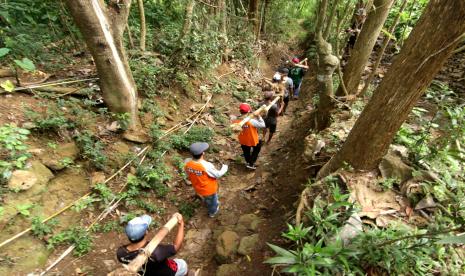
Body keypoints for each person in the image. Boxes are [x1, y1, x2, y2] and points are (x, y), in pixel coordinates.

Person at [116, 213, 189, 276]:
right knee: (183, 265)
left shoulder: (120, 253)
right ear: (146, 232)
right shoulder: (156, 253)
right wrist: (181, 224)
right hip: (165, 273)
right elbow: (176, 246)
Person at [184, 142, 228, 218]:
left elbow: (188, 174)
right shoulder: (206, 165)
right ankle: (212, 212)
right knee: (213, 201)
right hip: (209, 189)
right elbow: (217, 174)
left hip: (197, 186)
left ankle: (206, 200)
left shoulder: (187, 162)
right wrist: (225, 167)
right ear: (203, 153)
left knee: (206, 197)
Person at [233, 103, 266, 170]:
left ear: (240, 111)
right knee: (257, 149)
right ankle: (251, 163)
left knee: (246, 151)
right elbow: (263, 125)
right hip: (252, 139)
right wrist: (259, 116)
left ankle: (248, 162)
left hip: (243, 140)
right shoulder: (251, 121)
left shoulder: (236, 120)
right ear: (248, 111)